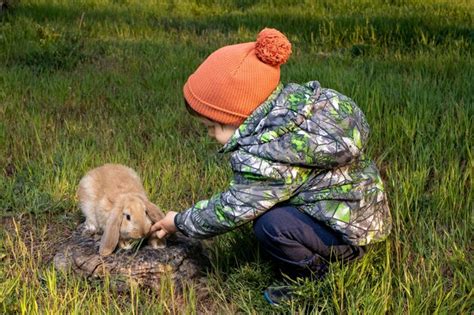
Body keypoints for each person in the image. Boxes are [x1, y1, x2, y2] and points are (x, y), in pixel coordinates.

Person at [151, 28, 392, 305]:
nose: (208, 135)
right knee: (268, 208)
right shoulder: (302, 110)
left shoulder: (267, 155)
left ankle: (314, 278)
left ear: (238, 117)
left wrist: (179, 221)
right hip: (364, 218)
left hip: (345, 238)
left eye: (210, 126)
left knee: (270, 225)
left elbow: (231, 208)